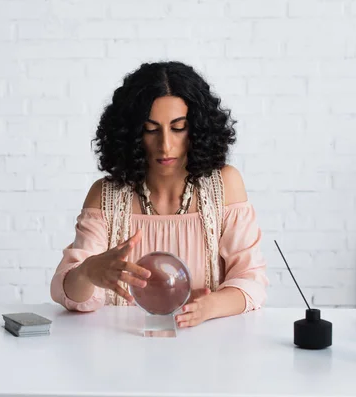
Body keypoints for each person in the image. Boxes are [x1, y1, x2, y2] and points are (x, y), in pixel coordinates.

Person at [50, 61, 268, 328]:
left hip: (206, 351)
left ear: (198, 129)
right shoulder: (105, 195)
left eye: (178, 128)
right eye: (151, 129)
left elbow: (251, 281)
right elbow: (67, 294)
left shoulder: (225, 186)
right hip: (121, 349)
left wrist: (210, 306)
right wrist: (88, 272)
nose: (165, 145)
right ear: (131, 133)